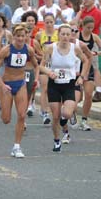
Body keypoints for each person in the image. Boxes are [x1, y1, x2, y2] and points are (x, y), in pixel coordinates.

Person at [40, 24, 89, 152]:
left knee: (67, 113)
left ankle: (64, 121)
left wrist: (82, 77)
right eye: (63, 34)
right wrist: (49, 72)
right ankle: (57, 140)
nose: (66, 37)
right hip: (54, 84)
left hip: (69, 84)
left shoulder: (75, 48)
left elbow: (86, 61)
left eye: (68, 34)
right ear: (59, 34)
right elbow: (41, 66)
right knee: (55, 116)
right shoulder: (51, 48)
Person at [0, 24, 39, 158]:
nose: (20, 39)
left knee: (21, 115)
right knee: (6, 119)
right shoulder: (6, 50)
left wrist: (36, 79)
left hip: (21, 84)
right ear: (14, 36)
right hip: (7, 84)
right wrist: (1, 85)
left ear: (26, 37)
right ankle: (3, 107)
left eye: (23, 36)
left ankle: (17, 147)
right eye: (18, 36)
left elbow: (36, 66)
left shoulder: (29, 50)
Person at [76, 16, 101, 131]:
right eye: (88, 27)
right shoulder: (77, 36)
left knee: (89, 95)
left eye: (92, 27)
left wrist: (95, 52)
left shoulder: (94, 37)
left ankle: (84, 120)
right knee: (77, 97)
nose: (90, 30)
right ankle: (71, 115)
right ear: (83, 26)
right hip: (77, 67)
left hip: (89, 67)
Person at [35, 13, 59, 124]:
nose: (49, 24)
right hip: (44, 64)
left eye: (51, 22)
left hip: (57, 65)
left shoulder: (59, 34)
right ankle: (45, 112)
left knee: (55, 89)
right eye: (47, 22)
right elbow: (36, 49)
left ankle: (55, 111)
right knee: (44, 88)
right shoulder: (39, 35)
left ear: (54, 22)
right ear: (44, 23)